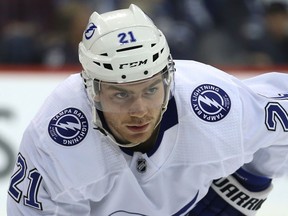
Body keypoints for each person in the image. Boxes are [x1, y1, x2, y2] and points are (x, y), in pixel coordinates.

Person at [6, 4, 288, 216]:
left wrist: (244, 188)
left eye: (151, 89)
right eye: (120, 94)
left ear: (169, 78)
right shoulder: (59, 140)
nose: (139, 110)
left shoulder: (211, 104)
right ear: (92, 91)